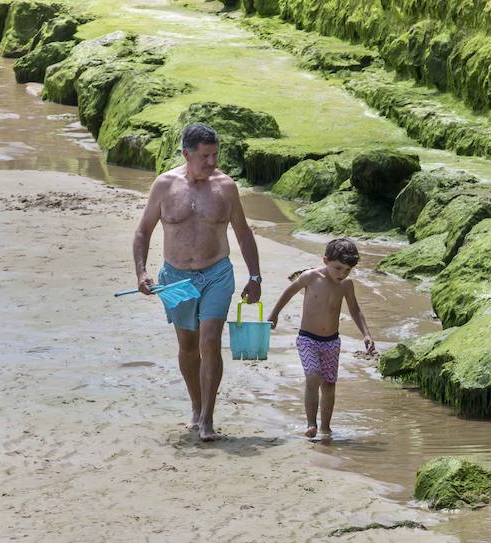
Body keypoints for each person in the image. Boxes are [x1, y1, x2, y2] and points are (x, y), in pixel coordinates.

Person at [133, 122, 262, 442]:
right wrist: (141, 272)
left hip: (217, 273)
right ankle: (196, 405)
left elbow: (243, 233)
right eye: (205, 156)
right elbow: (143, 231)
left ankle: (207, 418)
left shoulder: (226, 187)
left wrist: (255, 276)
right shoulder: (164, 186)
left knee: (209, 341)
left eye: (215, 155)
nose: (212, 162)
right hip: (175, 277)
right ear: (185, 153)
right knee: (188, 347)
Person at [268, 238, 376, 440]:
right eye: (337, 268)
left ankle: (326, 427)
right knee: (313, 376)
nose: (342, 274)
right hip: (307, 338)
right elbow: (289, 292)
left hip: (332, 342)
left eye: (347, 270)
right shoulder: (310, 277)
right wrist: (274, 314)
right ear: (325, 260)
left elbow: (354, 309)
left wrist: (366, 334)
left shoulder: (346, 285)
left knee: (329, 384)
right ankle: (311, 423)